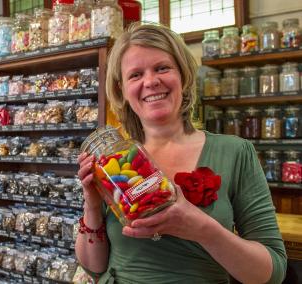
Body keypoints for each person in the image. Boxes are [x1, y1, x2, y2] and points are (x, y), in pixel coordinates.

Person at [76, 23, 287, 284]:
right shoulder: (113, 164)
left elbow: (272, 273)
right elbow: (94, 268)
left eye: (162, 68)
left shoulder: (235, 152)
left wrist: (202, 230)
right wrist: (93, 204)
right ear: (121, 90)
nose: (151, 81)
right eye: (135, 75)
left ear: (183, 75)